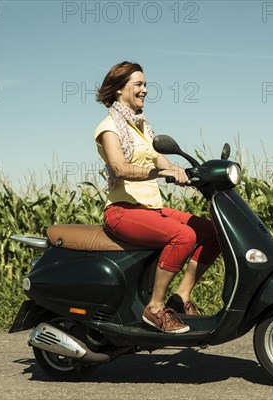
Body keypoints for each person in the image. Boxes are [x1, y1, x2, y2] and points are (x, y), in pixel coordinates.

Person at [94, 61, 221, 334]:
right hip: (123, 211)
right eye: (138, 84)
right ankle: (154, 308)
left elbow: (159, 159)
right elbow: (120, 168)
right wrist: (160, 173)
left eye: (145, 84)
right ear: (119, 90)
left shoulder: (141, 127)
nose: (145, 90)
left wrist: (184, 171)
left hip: (151, 210)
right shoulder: (109, 128)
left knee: (212, 233)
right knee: (183, 236)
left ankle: (181, 297)